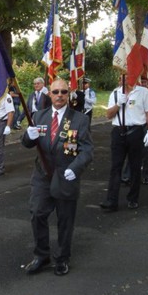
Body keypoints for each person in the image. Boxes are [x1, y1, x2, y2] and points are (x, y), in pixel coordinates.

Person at [21, 79, 93, 276]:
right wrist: (28, 136)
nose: (59, 95)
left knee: (65, 219)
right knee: (37, 213)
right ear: (49, 95)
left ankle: (62, 258)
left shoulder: (80, 119)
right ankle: (41, 255)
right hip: (43, 175)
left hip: (66, 175)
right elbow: (27, 143)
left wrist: (76, 168)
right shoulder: (39, 115)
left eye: (63, 91)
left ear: (68, 94)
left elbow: (87, 150)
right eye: (55, 92)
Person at [100, 75, 148, 212]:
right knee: (115, 167)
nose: (122, 80)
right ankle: (111, 201)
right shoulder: (115, 93)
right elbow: (108, 115)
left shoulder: (144, 93)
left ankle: (133, 198)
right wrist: (118, 104)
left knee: (135, 166)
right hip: (118, 132)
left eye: (125, 78)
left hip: (136, 132)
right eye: (120, 78)